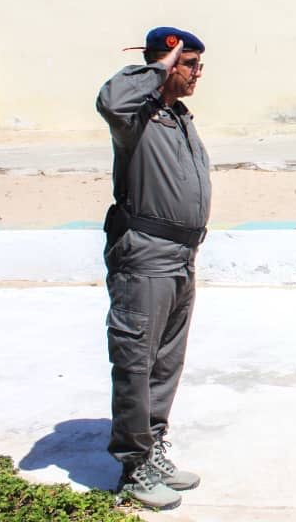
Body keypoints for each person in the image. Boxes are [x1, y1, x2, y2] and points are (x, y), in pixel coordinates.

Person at [96, 26, 212, 510]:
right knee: (136, 360)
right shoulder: (135, 116)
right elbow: (110, 100)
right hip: (144, 255)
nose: (198, 73)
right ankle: (133, 467)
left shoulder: (177, 117)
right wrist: (159, 67)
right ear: (165, 64)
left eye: (200, 65)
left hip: (181, 256)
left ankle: (153, 449)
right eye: (190, 64)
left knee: (166, 361)